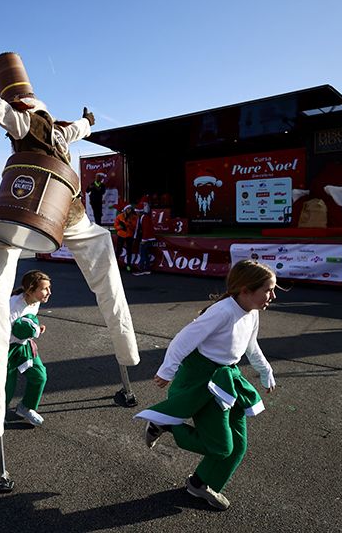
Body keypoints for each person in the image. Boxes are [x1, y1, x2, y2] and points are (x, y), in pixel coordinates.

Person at [0, 51, 139, 441]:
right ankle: (126, 356)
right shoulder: (50, 128)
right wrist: (87, 120)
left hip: (46, 212)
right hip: (51, 211)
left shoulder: (32, 124)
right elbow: (58, 125)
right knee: (99, 275)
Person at [134, 260, 281, 511]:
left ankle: (200, 483)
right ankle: (166, 423)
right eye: (268, 289)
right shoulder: (222, 311)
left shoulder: (251, 313)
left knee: (238, 446)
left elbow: (250, 345)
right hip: (204, 381)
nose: (273, 295)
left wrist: (265, 371)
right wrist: (167, 371)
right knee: (221, 447)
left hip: (227, 378)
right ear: (245, 290)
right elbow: (183, 340)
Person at [6, 270, 51, 427]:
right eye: (44, 289)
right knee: (6, 387)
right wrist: (34, 330)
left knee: (39, 376)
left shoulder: (35, 300)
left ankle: (26, 407)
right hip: (6, 348)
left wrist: (35, 328)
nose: (49, 292)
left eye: (49, 288)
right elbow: (4, 332)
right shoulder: (12, 306)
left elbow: (28, 322)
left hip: (23, 345)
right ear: (30, 290)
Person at [132, 201, 156, 276]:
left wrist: (143, 240)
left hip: (146, 239)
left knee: (142, 254)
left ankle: (141, 269)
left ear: (139, 212)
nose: (136, 213)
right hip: (147, 239)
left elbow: (146, 229)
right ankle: (147, 269)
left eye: (136, 211)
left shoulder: (144, 218)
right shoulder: (143, 217)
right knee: (145, 254)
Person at [113, 204, 137, 271]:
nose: (129, 210)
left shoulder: (134, 217)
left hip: (129, 236)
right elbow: (115, 226)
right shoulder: (119, 216)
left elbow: (134, 227)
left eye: (130, 209)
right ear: (125, 210)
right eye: (128, 209)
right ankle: (115, 265)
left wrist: (128, 223)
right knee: (118, 250)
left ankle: (128, 265)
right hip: (121, 235)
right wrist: (120, 227)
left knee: (129, 251)